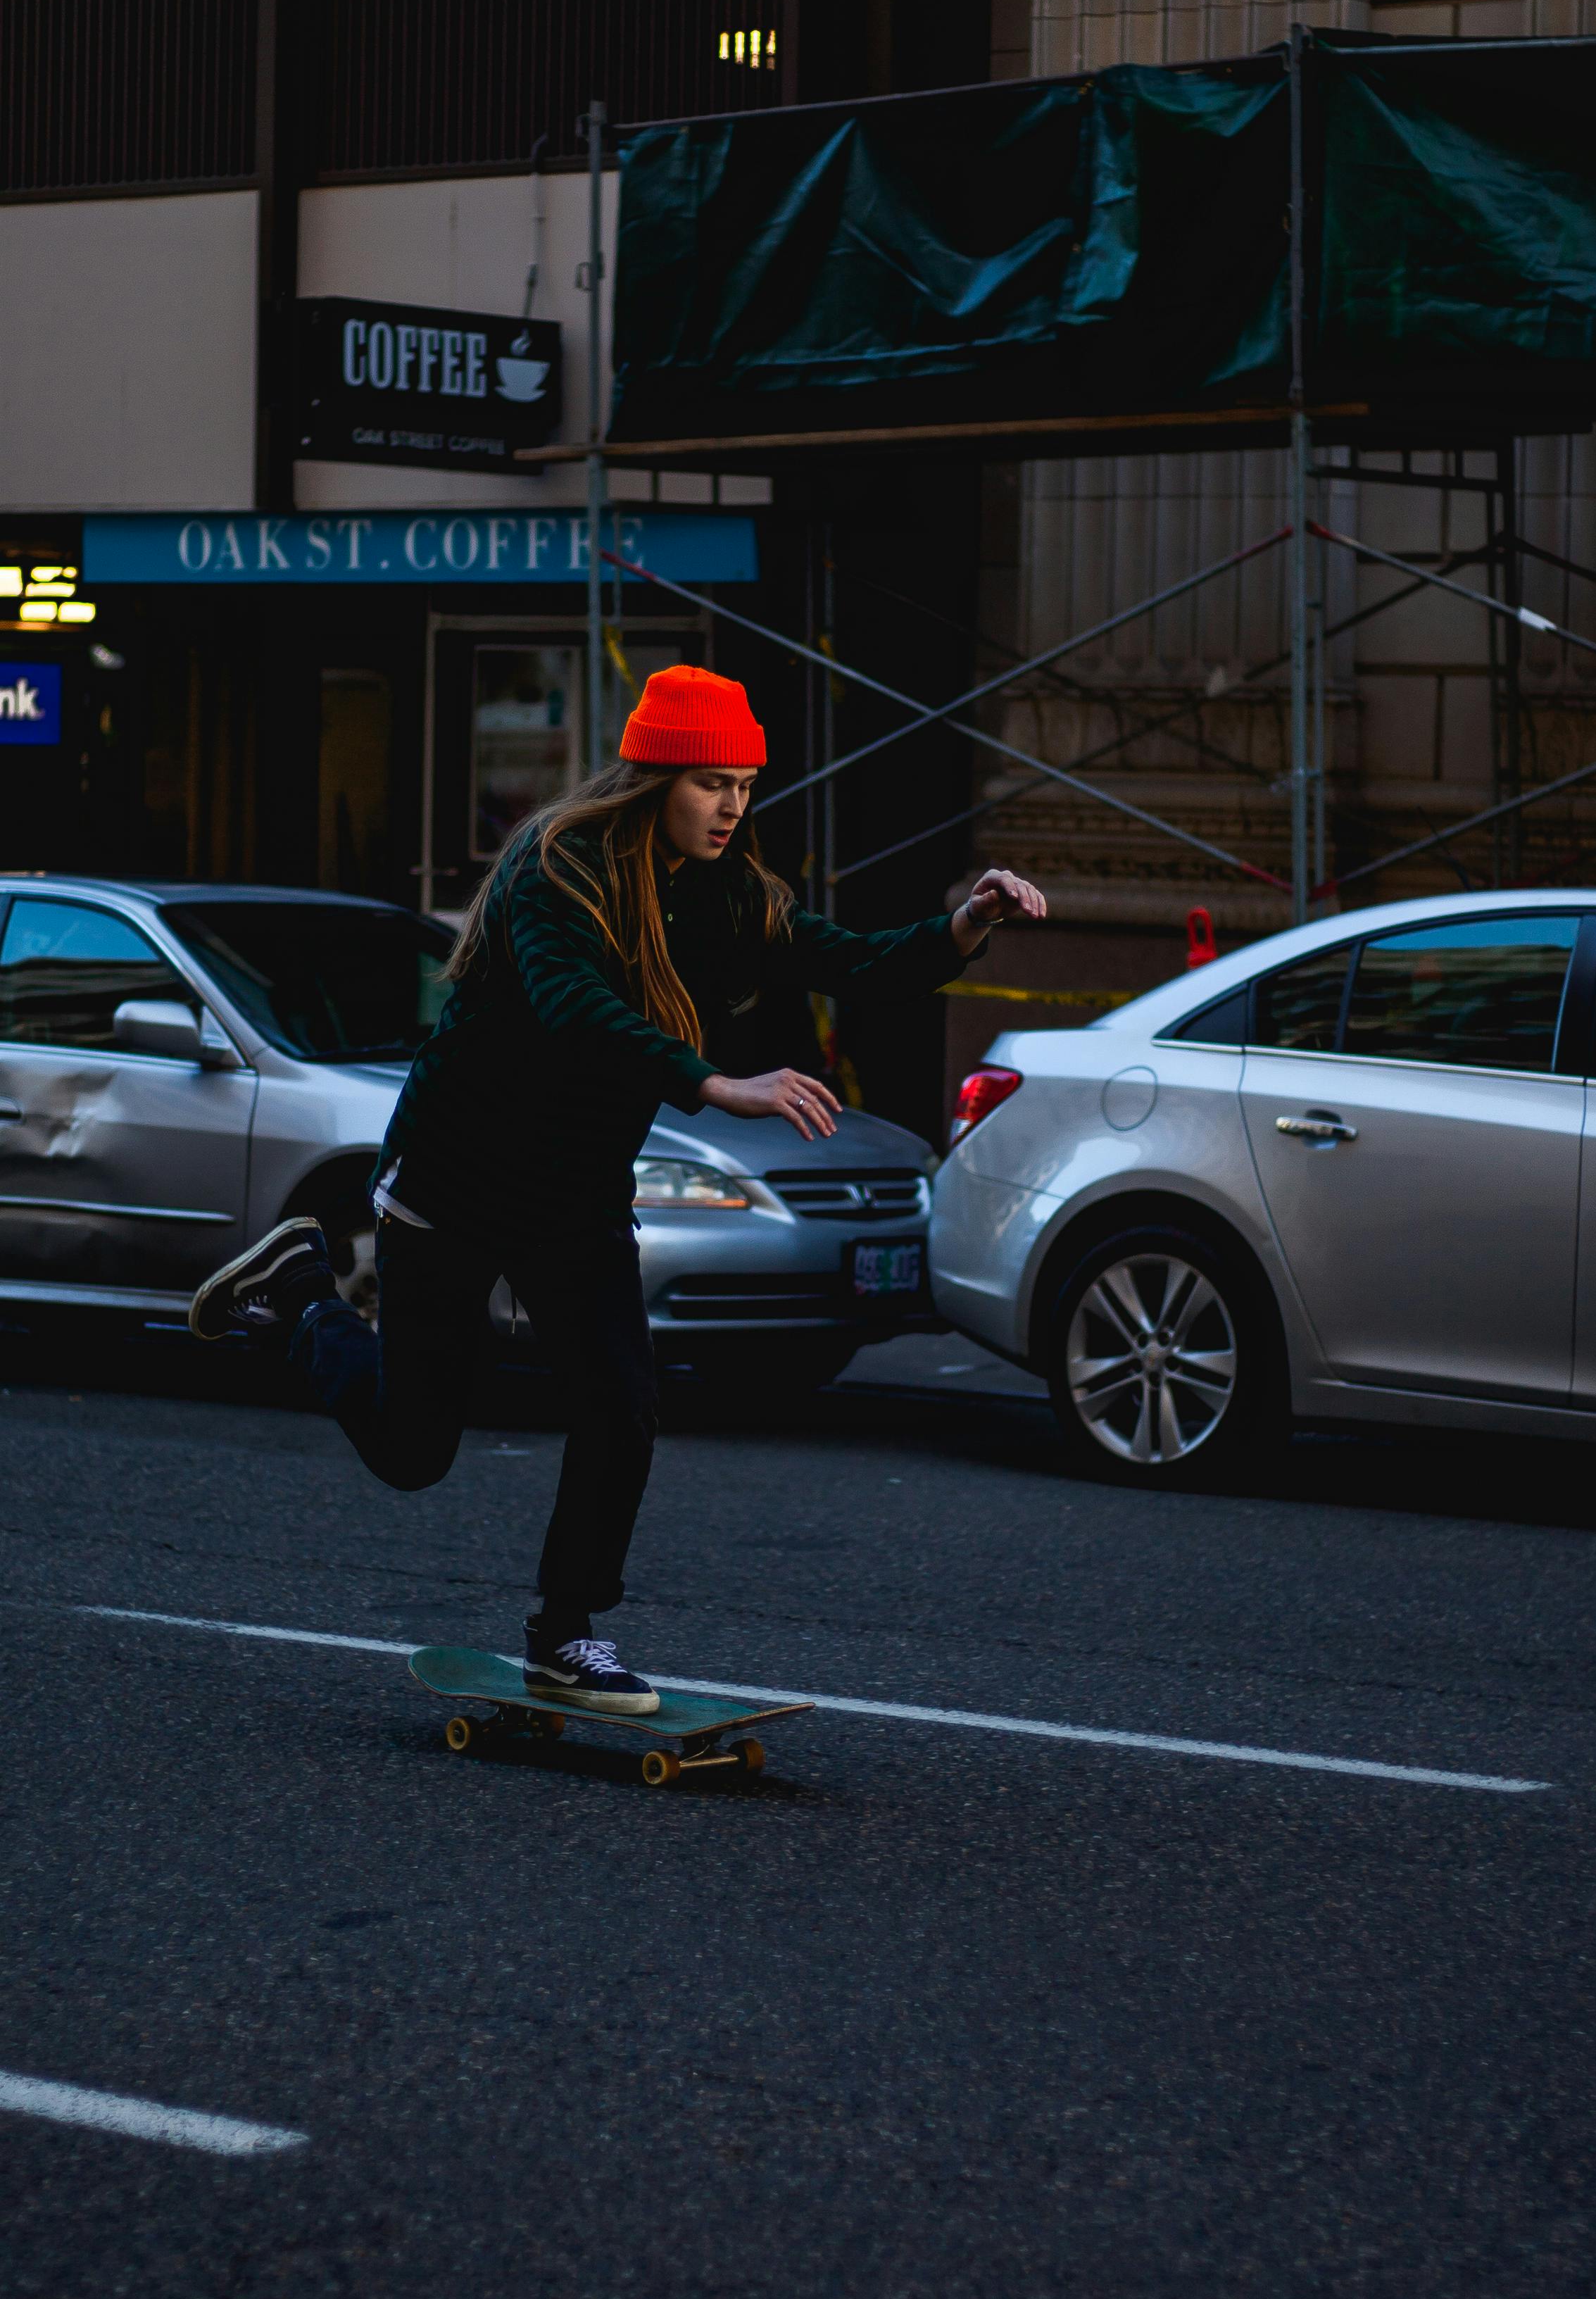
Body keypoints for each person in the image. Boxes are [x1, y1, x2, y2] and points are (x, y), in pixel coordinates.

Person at [188, 665, 1045, 1712]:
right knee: (412, 1451)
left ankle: (566, 1634)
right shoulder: (557, 867)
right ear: (654, 780)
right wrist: (712, 1083)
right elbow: (574, 1007)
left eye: (744, 786)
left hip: (575, 1191)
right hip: (456, 1176)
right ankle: (303, 1295)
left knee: (622, 1406)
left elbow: (852, 959)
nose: (731, 807)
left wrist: (964, 925)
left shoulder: (728, 889)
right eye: (710, 784)